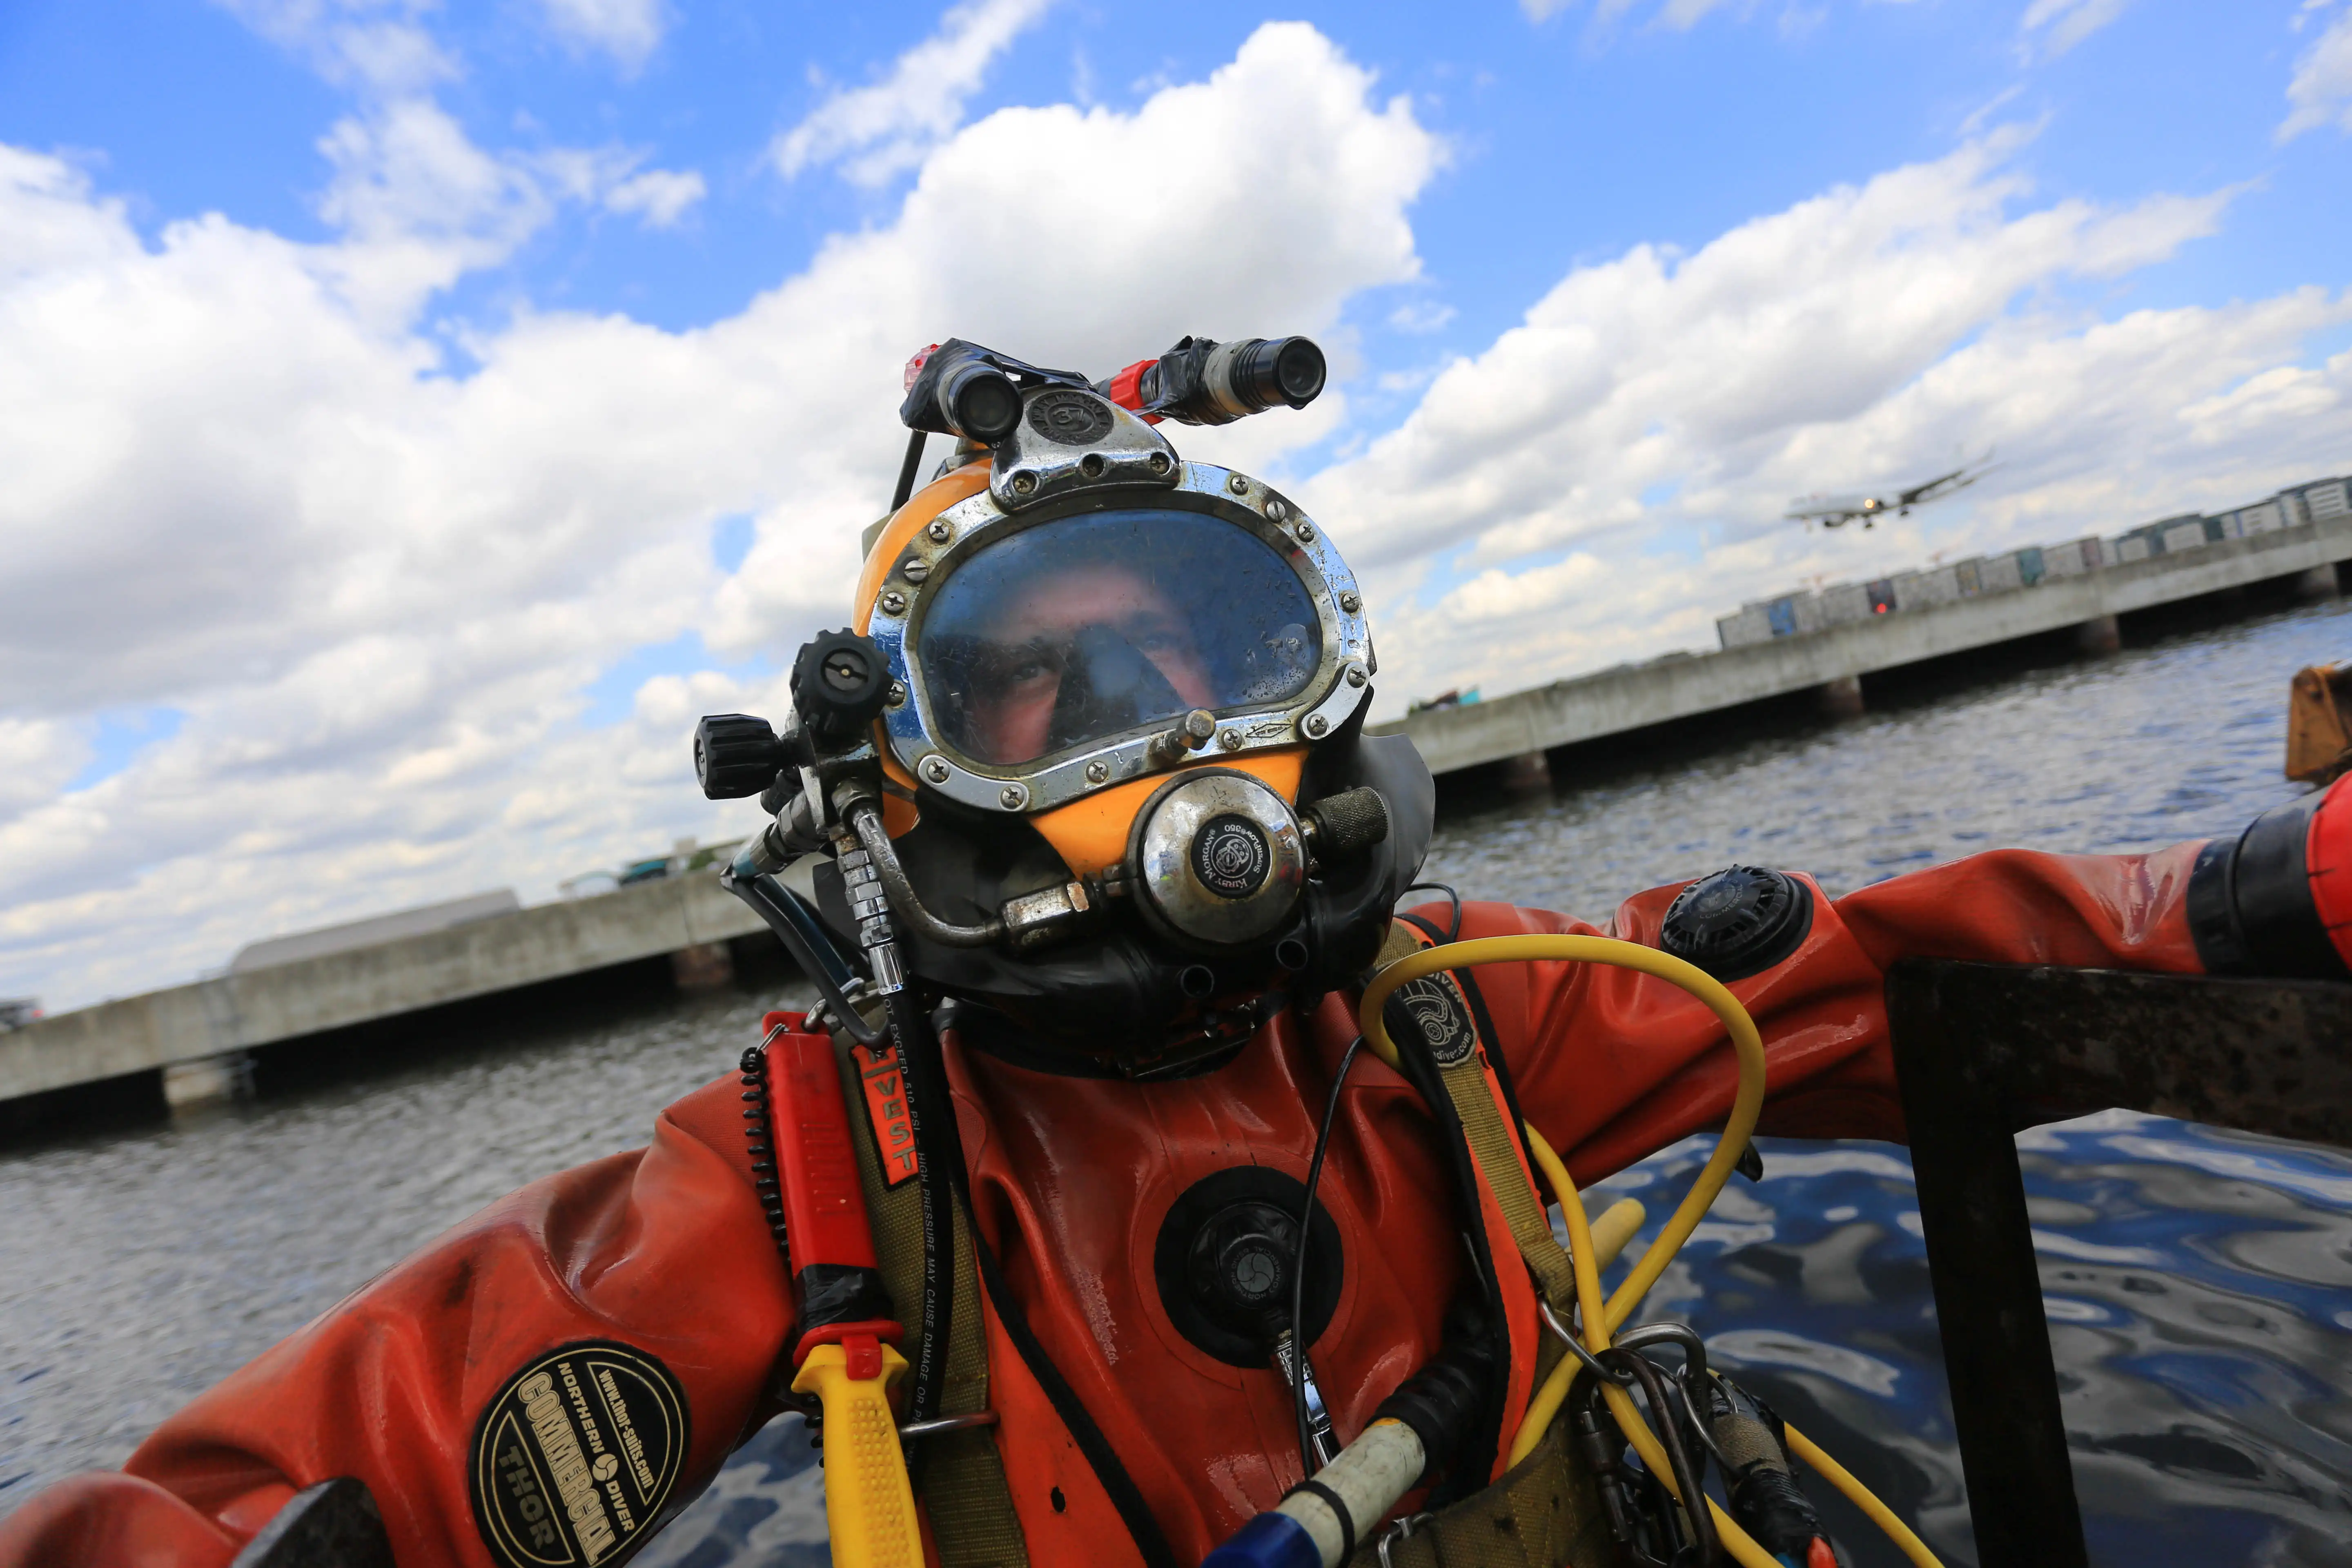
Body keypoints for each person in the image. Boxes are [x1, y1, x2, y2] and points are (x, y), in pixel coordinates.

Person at [6, 366, 2349, 1568]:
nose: (1172, 746)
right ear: (909, 770)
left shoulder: (1453, 1010)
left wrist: (2264, 893)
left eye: (1209, 650)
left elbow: (1859, 978)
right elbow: (358, 1471)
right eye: (1051, 685)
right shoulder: (819, 1183)